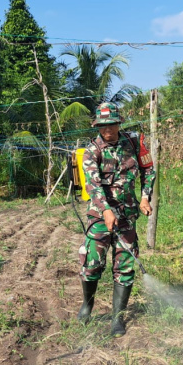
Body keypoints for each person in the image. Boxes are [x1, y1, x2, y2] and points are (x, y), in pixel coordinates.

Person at [78, 102, 155, 337]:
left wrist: (144, 197)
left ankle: (117, 318)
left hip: (127, 216)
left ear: (119, 123)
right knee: (92, 263)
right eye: (102, 126)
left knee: (124, 266)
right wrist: (105, 210)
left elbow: (148, 170)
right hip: (100, 216)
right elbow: (93, 184)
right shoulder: (92, 150)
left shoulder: (134, 142)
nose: (106, 130)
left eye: (110, 125)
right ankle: (87, 305)